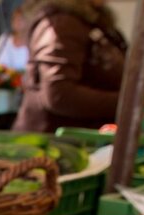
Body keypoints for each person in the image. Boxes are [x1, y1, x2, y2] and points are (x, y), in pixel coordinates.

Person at [13, 0, 127, 133]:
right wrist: (128, 102)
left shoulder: (91, 21)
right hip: (53, 139)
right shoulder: (61, 23)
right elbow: (59, 94)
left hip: (81, 137)